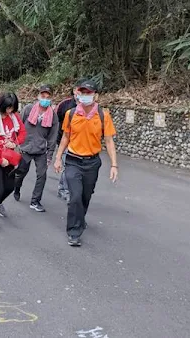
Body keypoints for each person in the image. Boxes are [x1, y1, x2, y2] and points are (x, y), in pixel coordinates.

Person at [53, 79, 118, 247]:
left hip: (92, 163)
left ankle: (80, 218)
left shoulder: (104, 116)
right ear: (78, 94)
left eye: (89, 93)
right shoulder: (71, 114)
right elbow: (66, 137)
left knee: (85, 196)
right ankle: (74, 232)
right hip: (73, 161)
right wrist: (58, 157)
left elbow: (109, 141)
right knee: (74, 197)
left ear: (95, 95)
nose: (85, 96)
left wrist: (114, 165)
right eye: (82, 92)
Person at [13, 85, 59, 212]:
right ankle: (16, 189)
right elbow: (19, 126)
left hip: (41, 151)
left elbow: (52, 136)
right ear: (38, 96)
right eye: (43, 96)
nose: (45, 99)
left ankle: (35, 201)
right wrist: (16, 144)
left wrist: (50, 155)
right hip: (26, 148)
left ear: (51, 99)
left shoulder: (53, 116)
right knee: (20, 173)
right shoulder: (28, 109)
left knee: (42, 176)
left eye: (48, 97)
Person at [0, 92, 26, 230]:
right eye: (7, 108)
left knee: (10, 187)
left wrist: (14, 143)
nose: (9, 111)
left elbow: (23, 133)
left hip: (9, 158)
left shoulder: (14, 117)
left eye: (12, 108)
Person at [54, 80, 84, 202]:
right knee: (70, 166)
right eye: (79, 90)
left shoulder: (88, 107)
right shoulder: (64, 105)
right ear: (74, 91)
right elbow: (55, 122)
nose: (81, 93)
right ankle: (66, 191)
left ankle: (62, 188)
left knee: (69, 167)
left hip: (80, 143)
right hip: (65, 141)